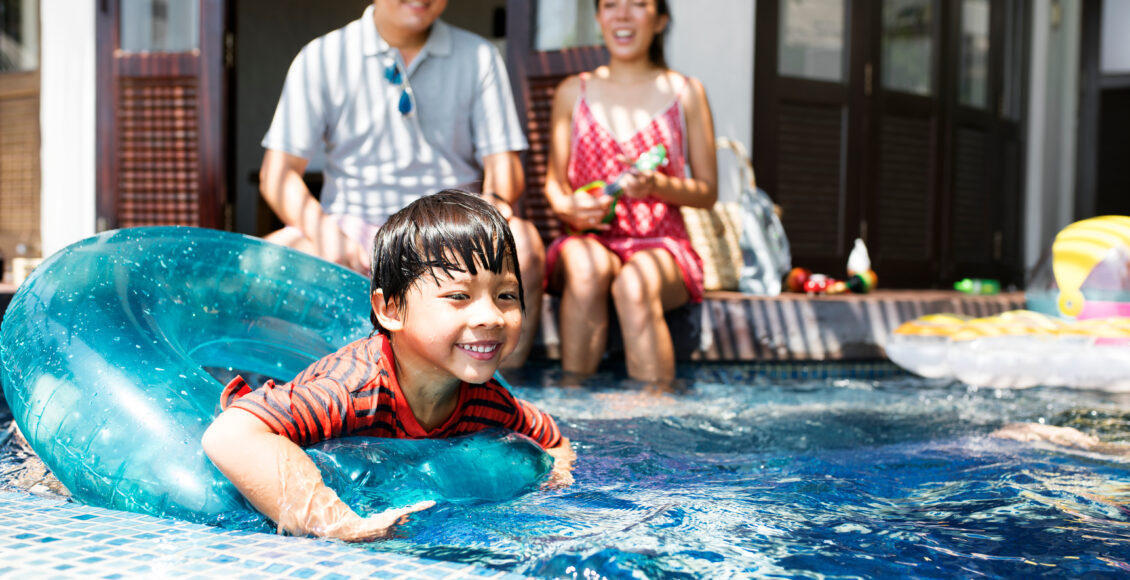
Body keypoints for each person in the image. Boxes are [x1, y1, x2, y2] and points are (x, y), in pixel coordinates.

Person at [202, 191, 575, 542]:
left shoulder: (488, 400)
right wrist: (335, 522)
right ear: (391, 310)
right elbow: (230, 435)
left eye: (506, 295)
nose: (491, 316)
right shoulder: (352, 390)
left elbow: (552, 440)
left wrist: (552, 483)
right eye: (459, 296)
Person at [258, 0, 544, 367]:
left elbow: (504, 164)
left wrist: (495, 204)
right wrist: (325, 232)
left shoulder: (479, 56)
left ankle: (506, 395)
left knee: (525, 245)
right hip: (353, 228)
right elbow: (277, 174)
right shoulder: (322, 57)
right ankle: (307, 387)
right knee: (272, 256)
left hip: (448, 229)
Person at [542, 0, 717, 384]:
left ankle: (653, 422)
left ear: (660, 20)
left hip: (662, 244)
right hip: (587, 240)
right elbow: (554, 184)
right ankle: (572, 407)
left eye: (638, 4)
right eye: (610, 5)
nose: (622, 15)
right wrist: (568, 206)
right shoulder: (574, 91)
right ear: (598, 18)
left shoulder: (686, 92)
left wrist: (657, 185)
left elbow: (707, 192)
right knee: (586, 270)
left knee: (634, 284)